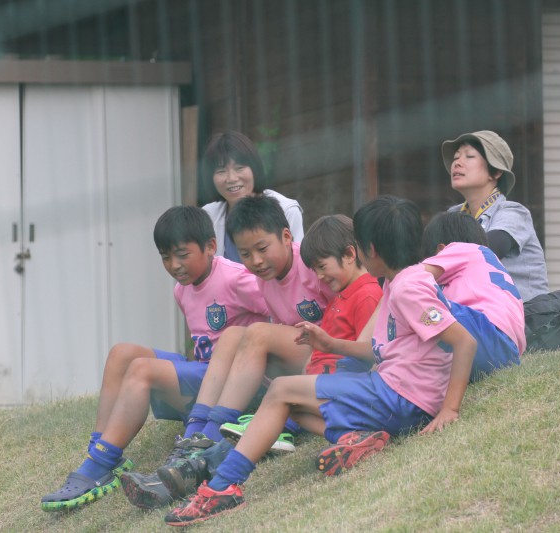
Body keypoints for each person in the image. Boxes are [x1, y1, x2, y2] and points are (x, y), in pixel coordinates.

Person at [161, 196, 477, 526]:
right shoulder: (399, 283)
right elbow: (380, 350)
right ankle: (354, 438)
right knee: (292, 402)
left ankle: (222, 487)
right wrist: (330, 343)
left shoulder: (407, 287)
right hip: (394, 393)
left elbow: (464, 342)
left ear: (369, 250)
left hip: (401, 398)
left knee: (281, 391)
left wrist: (449, 408)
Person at [39, 206, 270, 512]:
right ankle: (100, 452)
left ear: (211, 246)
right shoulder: (182, 290)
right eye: (165, 257)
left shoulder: (236, 278)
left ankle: (100, 464)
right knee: (122, 354)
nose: (174, 265)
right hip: (206, 375)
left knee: (142, 370)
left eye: (182, 254)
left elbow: (275, 317)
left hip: (236, 385)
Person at [152, 211, 382, 502]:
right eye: (246, 253)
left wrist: (329, 346)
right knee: (272, 390)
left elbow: (370, 353)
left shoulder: (361, 291)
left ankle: (210, 463)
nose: (320, 276)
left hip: (331, 379)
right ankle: (202, 449)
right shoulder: (333, 290)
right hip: (314, 374)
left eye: (322, 268)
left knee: (275, 393)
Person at [441, 130, 549, 301]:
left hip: (526, 314)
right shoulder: (453, 214)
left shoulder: (513, 212)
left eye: (469, 156)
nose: (457, 163)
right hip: (476, 311)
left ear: (496, 172)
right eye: (456, 157)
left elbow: (486, 251)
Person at [421, 211, 526, 381]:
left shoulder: (461, 249)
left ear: (441, 250)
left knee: (417, 296)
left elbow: (409, 279)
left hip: (480, 335)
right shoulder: (487, 262)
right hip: (508, 354)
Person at [200, 131, 304, 262]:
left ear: (254, 168)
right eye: (221, 171)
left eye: (239, 168)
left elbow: (298, 264)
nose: (231, 178)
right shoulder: (207, 216)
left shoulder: (287, 210)